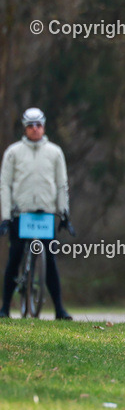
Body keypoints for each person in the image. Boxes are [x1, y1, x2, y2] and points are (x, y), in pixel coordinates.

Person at [0, 107, 73, 320]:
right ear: (25, 128)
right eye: (30, 126)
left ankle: (59, 309)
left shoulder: (55, 152)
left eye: (38, 125)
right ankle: (5, 308)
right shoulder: (13, 152)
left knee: (50, 260)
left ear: (44, 127)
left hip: (45, 215)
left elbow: (62, 185)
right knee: (14, 257)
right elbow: (4, 185)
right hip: (20, 214)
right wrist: (5, 216)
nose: (34, 129)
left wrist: (64, 213)